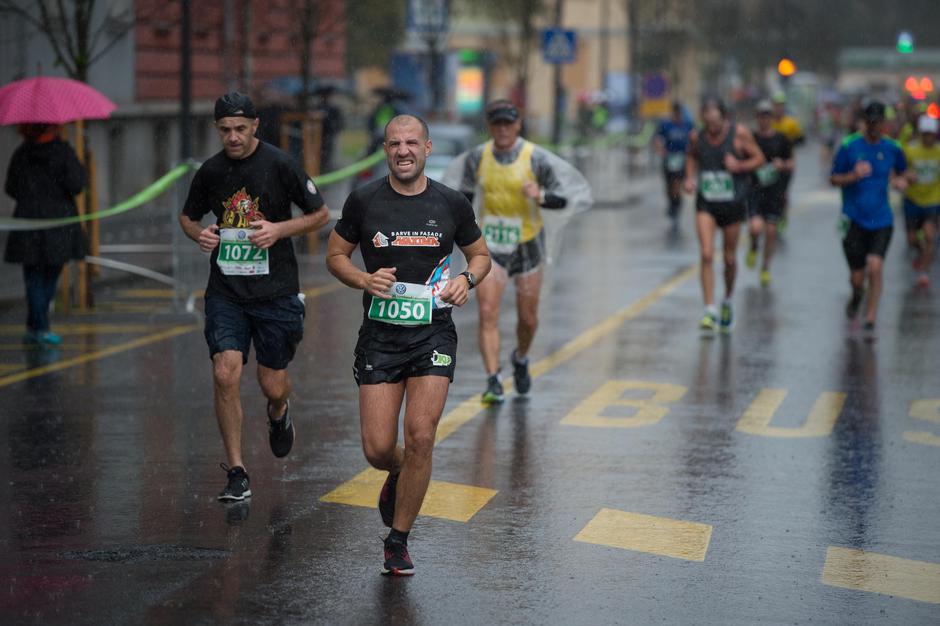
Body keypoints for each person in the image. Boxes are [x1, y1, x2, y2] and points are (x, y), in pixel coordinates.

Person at [326, 114, 491, 575]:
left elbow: (480, 256)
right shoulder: (363, 201)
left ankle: (398, 539)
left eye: (412, 142)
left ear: (427, 148)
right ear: (386, 150)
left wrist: (466, 279)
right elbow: (334, 255)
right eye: (395, 143)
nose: (403, 150)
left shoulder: (452, 203)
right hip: (380, 334)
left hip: (433, 332)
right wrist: (362, 277)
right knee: (378, 449)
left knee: (421, 435)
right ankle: (397, 473)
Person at [179, 92, 330, 501]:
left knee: (272, 384)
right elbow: (188, 217)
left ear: (255, 126)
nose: (232, 137)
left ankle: (279, 415)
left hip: (275, 293)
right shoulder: (211, 171)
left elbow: (320, 214)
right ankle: (237, 471)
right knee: (225, 371)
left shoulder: (280, 165)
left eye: (240, 129)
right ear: (217, 129)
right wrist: (201, 234)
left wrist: (279, 230)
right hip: (226, 292)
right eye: (225, 130)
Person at [459, 100, 568, 403]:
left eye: (508, 123)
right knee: (487, 311)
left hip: (528, 243)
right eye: (497, 124)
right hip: (491, 244)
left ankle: (520, 357)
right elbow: (463, 199)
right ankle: (493, 379)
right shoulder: (478, 157)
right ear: (490, 127)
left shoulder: (536, 158)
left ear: (518, 125)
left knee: (528, 319)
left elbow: (561, 199)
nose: (503, 129)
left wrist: (540, 195)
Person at [684, 98, 765, 332]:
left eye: (715, 122)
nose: (711, 127)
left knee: (729, 259)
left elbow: (759, 158)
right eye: (707, 122)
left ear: (724, 118)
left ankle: (727, 299)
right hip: (706, 203)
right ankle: (709, 309)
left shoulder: (739, 135)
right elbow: (692, 156)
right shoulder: (696, 137)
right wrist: (690, 178)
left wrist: (739, 166)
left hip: (733, 203)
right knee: (707, 254)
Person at [4, 123, 86, 345]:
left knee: (33, 277)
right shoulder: (62, 152)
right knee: (49, 276)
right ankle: (40, 327)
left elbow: (10, 187)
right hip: (58, 223)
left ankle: (35, 325)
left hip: (28, 221)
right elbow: (77, 184)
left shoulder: (22, 153)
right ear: (53, 127)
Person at [830, 100, 908, 335]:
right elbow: (833, 178)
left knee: (875, 266)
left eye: (878, 123)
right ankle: (857, 296)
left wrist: (900, 181)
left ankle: (871, 315)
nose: (874, 127)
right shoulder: (849, 146)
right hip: (853, 218)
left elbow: (903, 173)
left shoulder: (893, 148)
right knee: (857, 278)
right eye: (870, 122)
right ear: (864, 122)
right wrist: (853, 176)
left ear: (884, 123)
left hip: (882, 219)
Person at [746, 100, 795, 286]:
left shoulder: (781, 139)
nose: (764, 120)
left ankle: (765, 267)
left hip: (775, 191)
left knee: (771, 231)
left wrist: (782, 165)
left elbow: (791, 163)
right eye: (761, 116)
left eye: (767, 116)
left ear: (771, 118)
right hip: (755, 191)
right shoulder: (751, 138)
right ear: (757, 118)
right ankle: (752, 246)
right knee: (755, 228)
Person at [902, 115, 940, 287]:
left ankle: (923, 271)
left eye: (931, 134)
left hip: (933, 200)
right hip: (912, 200)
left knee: (929, 235)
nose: (928, 137)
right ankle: (921, 253)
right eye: (925, 134)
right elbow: (899, 171)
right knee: (911, 240)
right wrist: (906, 176)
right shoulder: (911, 150)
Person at [655, 101, 695, 229]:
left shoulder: (688, 124)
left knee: (677, 185)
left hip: (683, 158)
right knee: (669, 186)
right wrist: (661, 150)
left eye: (679, 113)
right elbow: (658, 138)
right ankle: (671, 204)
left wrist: (692, 153)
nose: (677, 115)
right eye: (675, 113)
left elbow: (694, 138)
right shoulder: (666, 124)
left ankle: (676, 208)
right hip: (669, 158)